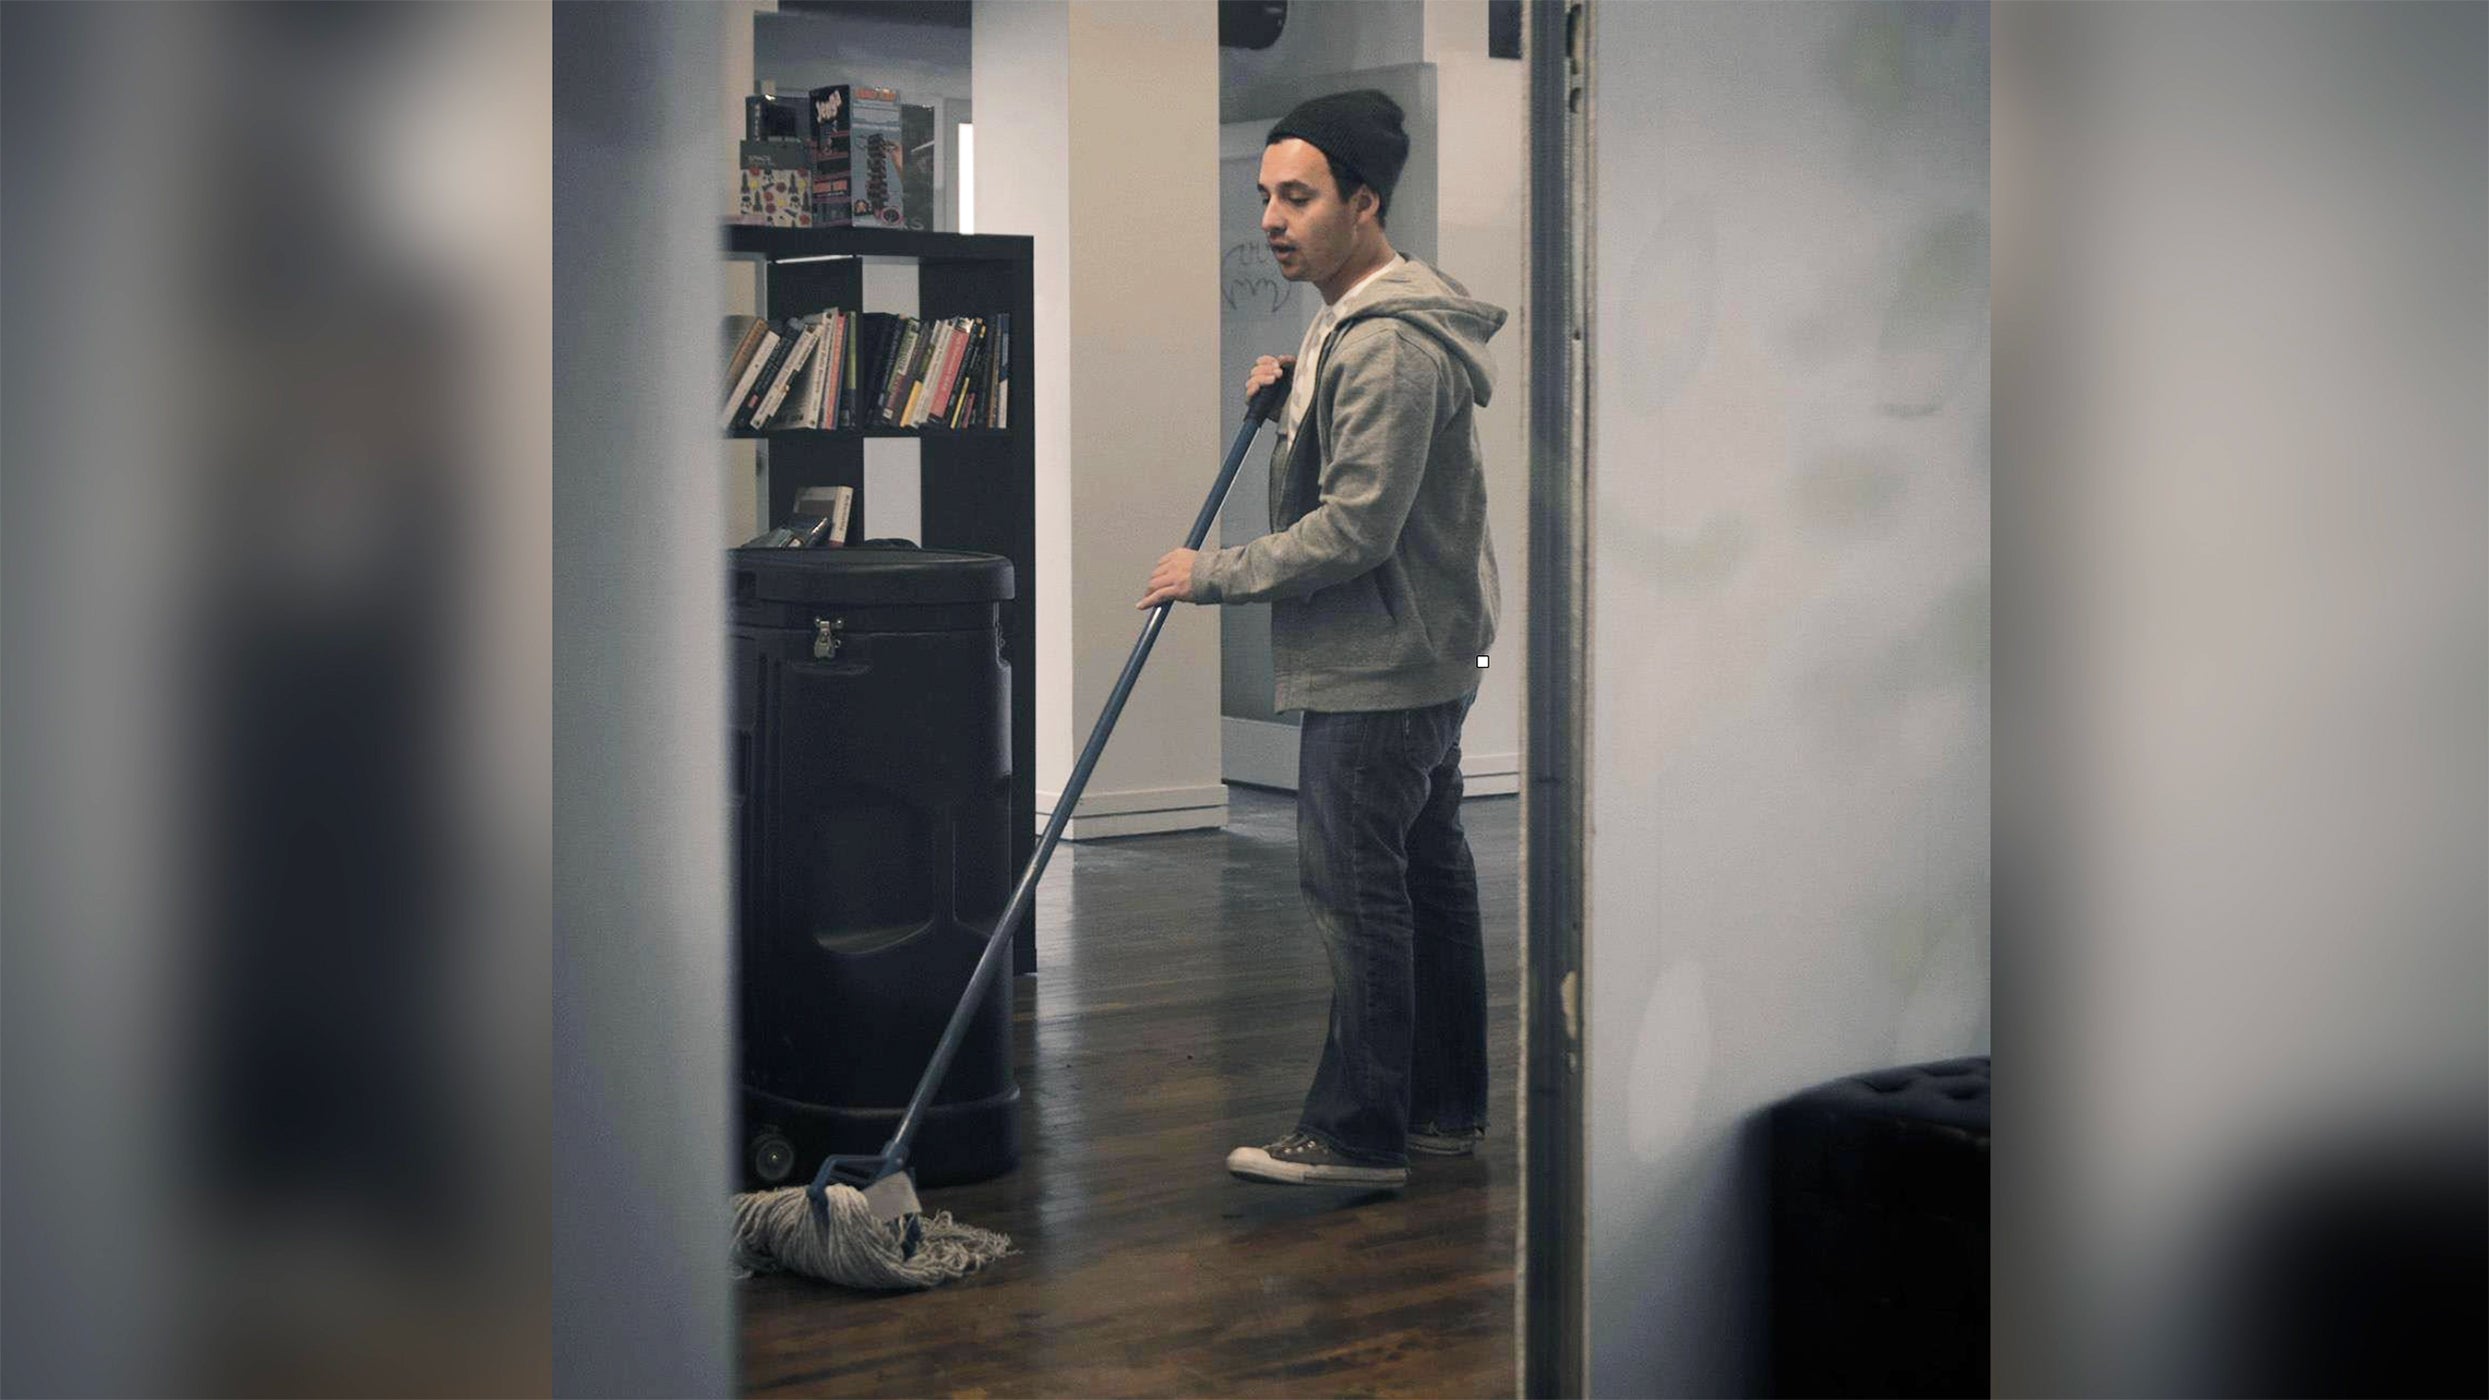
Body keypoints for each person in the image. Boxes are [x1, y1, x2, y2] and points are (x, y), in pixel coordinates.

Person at [1136, 90, 1507, 1189]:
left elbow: (1354, 527)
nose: (1270, 219)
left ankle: (1356, 1132)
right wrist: (1300, 393)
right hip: (1421, 654)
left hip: (1379, 669)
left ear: (1364, 200)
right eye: (1264, 196)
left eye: (1296, 197)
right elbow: (1367, 468)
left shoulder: (1385, 345)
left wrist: (1214, 575)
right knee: (1427, 889)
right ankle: (1438, 1111)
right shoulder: (1352, 323)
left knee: (1357, 897)